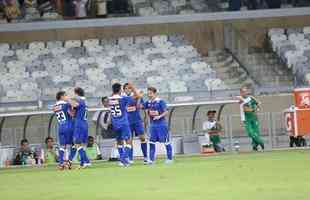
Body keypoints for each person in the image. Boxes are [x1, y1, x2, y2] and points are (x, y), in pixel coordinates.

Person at [108, 82, 142, 167]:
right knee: (129, 141)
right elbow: (137, 96)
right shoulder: (123, 98)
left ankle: (122, 159)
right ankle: (123, 158)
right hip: (123, 123)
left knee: (119, 142)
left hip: (115, 123)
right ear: (120, 90)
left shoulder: (110, 99)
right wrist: (132, 87)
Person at [142, 87, 173, 164]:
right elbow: (141, 107)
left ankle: (170, 159)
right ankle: (151, 160)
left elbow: (166, 111)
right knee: (151, 142)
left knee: (166, 142)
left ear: (155, 93)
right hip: (153, 126)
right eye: (148, 93)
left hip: (161, 125)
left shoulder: (160, 101)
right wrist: (139, 97)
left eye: (150, 93)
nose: (149, 95)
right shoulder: (148, 102)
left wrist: (159, 116)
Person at [123, 83, 148, 164]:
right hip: (127, 122)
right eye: (126, 88)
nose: (128, 90)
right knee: (129, 141)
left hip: (137, 121)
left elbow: (144, 106)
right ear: (124, 90)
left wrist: (145, 117)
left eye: (129, 88)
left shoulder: (138, 97)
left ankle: (145, 157)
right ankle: (130, 158)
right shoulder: (123, 98)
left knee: (142, 138)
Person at [67, 87, 91, 169]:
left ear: (77, 94)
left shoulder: (80, 100)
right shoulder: (84, 101)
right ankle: (84, 162)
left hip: (79, 124)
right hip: (84, 123)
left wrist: (68, 98)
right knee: (81, 144)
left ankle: (85, 162)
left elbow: (74, 104)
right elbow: (74, 114)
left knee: (77, 143)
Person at [238, 86, 265, 151]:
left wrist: (257, 109)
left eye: (245, 91)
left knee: (256, 132)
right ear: (240, 93)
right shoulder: (240, 98)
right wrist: (252, 109)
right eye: (243, 92)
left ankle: (254, 146)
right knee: (250, 132)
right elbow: (244, 106)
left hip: (254, 117)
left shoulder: (251, 98)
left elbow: (258, 103)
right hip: (246, 118)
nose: (244, 93)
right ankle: (260, 141)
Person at [53, 91, 74, 170]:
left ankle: (61, 163)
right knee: (75, 144)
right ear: (61, 96)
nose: (66, 97)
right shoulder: (66, 104)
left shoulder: (54, 106)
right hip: (68, 126)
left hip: (61, 127)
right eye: (65, 95)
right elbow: (71, 114)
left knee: (62, 146)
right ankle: (69, 162)